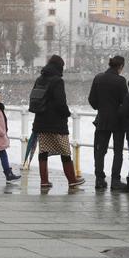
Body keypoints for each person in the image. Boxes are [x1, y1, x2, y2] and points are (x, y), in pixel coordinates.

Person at [31, 55, 84, 189]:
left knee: (43, 152)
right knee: (65, 151)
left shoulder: (40, 79)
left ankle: (44, 181)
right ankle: (72, 180)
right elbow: (61, 102)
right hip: (56, 123)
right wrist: (67, 113)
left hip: (41, 121)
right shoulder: (57, 81)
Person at [88, 55, 129, 190]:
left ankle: (99, 180)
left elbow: (92, 100)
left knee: (100, 151)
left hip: (102, 120)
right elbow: (125, 102)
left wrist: (101, 108)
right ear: (121, 66)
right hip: (118, 121)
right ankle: (115, 181)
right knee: (118, 152)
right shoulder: (121, 81)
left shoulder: (98, 78)